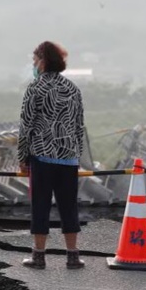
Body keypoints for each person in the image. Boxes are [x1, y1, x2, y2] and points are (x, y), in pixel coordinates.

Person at [18, 41, 85, 269]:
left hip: (42, 158)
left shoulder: (35, 88)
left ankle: (39, 256)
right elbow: (79, 127)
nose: (34, 65)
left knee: (41, 206)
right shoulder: (73, 88)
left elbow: (26, 126)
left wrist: (22, 157)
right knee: (69, 207)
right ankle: (73, 256)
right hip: (69, 158)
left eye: (35, 61)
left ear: (43, 62)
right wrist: (78, 156)